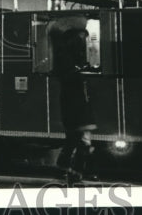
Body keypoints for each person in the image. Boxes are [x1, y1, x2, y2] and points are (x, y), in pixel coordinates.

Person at [50, 19, 97, 179]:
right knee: (81, 140)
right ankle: (74, 170)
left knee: (77, 140)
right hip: (76, 108)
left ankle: (69, 168)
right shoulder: (70, 65)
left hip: (74, 108)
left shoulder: (65, 61)